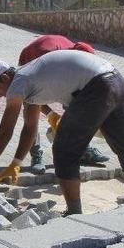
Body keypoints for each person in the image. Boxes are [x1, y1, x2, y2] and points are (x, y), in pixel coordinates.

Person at [0, 50, 124, 215]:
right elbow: (30, 127)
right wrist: (16, 162)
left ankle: (73, 213)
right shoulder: (29, 78)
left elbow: (5, 131)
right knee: (122, 140)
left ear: (5, 77)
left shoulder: (19, 82)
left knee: (64, 150)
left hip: (95, 88)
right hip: (116, 81)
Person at [17, 35, 109, 174]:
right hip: (32, 59)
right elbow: (34, 99)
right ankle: (36, 155)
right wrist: (51, 115)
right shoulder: (47, 61)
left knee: (77, 107)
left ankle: (84, 149)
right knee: (31, 112)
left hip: (57, 65)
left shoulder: (76, 63)